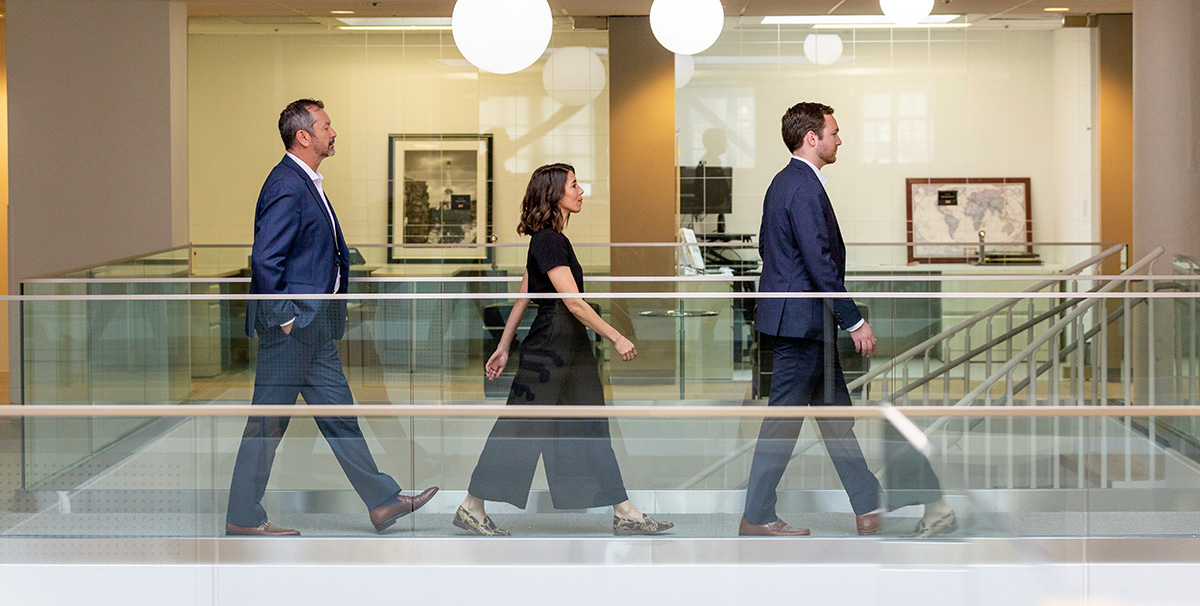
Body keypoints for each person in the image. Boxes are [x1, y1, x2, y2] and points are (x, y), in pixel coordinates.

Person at [740, 102, 955, 538]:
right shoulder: (801, 186)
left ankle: (867, 506)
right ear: (811, 139)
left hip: (803, 324)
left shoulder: (788, 183)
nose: (840, 140)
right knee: (783, 422)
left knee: (836, 419)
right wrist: (853, 321)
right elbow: (819, 263)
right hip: (801, 327)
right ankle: (757, 514)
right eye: (834, 133)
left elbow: (772, 251)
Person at [226, 99, 438, 537]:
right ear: (303, 136)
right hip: (293, 330)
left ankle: (382, 502)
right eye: (326, 126)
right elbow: (267, 260)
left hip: (312, 330)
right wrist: (287, 319)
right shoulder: (287, 184)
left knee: (340, 414)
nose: (334, 132)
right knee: (267, 423)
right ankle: (242, 516)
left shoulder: (306, 181)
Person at [454, 163, 673, 537]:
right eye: (574, 185)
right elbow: (572, 303)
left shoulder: (549, 238)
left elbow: (524, 293)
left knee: (590, 425)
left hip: (566, 344)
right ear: (556, 193)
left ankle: (624, 510)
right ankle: (471, 506)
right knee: (520, 426)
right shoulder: (549, 241)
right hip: (552, 344)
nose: (581, 190)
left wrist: (505, 346)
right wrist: (616, 336)